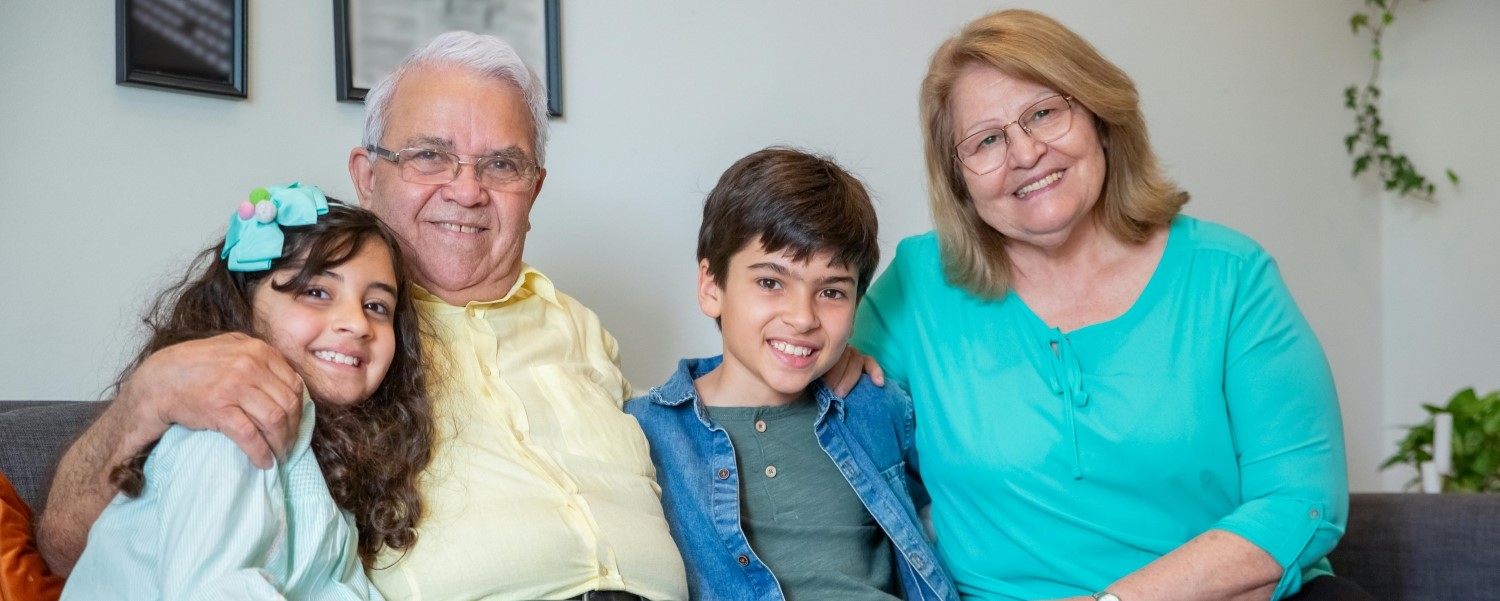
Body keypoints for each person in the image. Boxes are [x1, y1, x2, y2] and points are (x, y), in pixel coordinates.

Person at [40, 32, 699, 601]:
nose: (467, 190)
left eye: (501, 163)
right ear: (366, 175)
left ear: (535, 188)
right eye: (430, 155)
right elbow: (72, 549)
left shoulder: (578, 327)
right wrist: (145, 400)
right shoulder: (314, 349)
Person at [850, 9, 1370, 601]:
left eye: (1044, 112)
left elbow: (1303, 502)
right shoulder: (919, 285)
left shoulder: (1229, 277)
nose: (1025, 152)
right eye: (987, 140)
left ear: (1100, 116)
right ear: (958, 178)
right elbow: (816, 419)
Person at [60, 185, 432, 599]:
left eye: (377, 306)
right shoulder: (227, 430)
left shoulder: (318, 451)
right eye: (316, 292)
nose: (358, 323)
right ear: (242, 306)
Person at [624, 148, 956, 601]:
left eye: (832, 291)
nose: (803, 317)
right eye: (770, 282)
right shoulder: (645, 431)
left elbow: (971, 499)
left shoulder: (874, 404)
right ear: (711, 286)